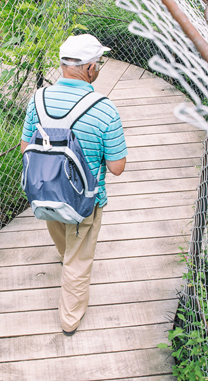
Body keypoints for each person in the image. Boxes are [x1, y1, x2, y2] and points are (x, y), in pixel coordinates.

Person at [20, 34, 128, 336]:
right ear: (90, 68)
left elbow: (24, 146)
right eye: (100, 63)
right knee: (79, 261)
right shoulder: (105, 109)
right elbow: (117, 168)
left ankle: (64, 254)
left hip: (45, 191)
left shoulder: (38, 99)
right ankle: (69, 320)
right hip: (84, 200)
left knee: (62, 236)